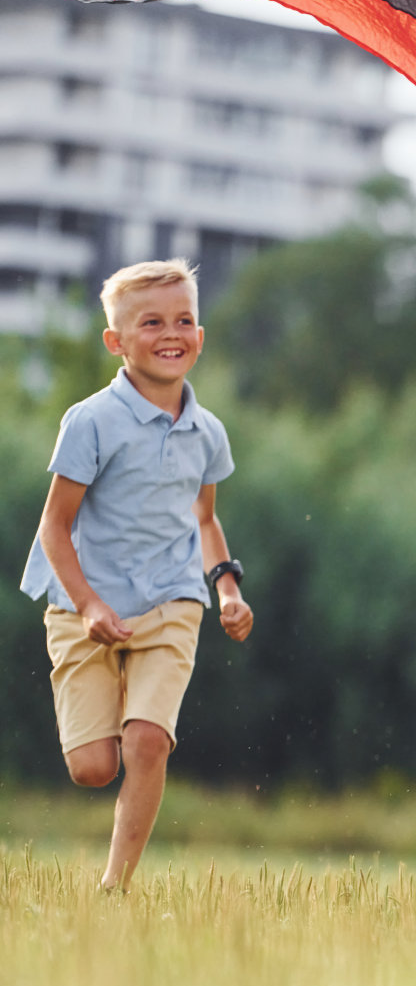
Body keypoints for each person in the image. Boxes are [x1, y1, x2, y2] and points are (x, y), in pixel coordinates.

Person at [19, 258, 253, 891]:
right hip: (83, 604)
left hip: (172, 600)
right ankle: (110, 706)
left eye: (183, 320)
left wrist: (226, 588)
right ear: (116, 342)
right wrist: (90, 605)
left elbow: (204, 521)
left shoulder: (208, 433)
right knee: (94, 768)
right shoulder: (91, 421)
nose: (170, 332)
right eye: (151, 322)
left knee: (147, 743)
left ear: (199, 338)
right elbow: (54, 527)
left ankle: (114, 890)